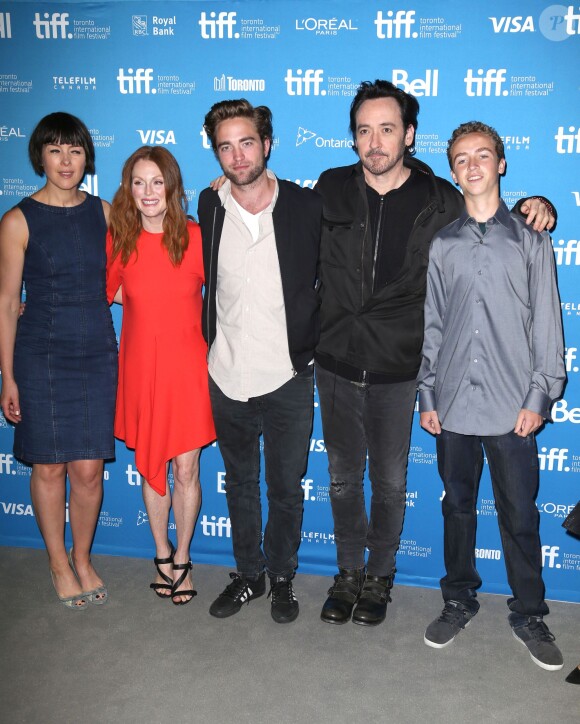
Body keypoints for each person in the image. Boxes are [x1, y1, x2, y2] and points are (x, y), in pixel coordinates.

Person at [315, 80, 555, 627]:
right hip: (336, 363)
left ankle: (379, 581)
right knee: (344, 481)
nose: (375, 141)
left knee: (394, 484)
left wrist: (537, 206)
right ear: (354, 139)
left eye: (387, 128)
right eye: (364, 130)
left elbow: (491, 216)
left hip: (400, 368)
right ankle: (349, 575)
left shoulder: (438, 197)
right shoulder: (328, 188)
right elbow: (278, 216)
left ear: (409, 135)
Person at [417, 121, 565, 671]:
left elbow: (548, 325)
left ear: (501, 164)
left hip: (512, 408)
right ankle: (458, 599)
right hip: (452, 405)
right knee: (457, 508)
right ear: (453, 170)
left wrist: (538, 396)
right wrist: (427, 394)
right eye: (461, 158)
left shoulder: (531, 236)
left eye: (483, 155)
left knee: (520, 515)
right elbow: (433, 324)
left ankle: (529, 611)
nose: (473, 165)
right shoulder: (443, 244)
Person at [198, 99, 321, 623]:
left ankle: (283, 577)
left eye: (246, 142)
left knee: (285, 486)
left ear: (266, 144)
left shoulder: (305, 205)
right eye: (225, 145)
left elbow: (393, 183)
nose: (237, 154)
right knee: (239, 482)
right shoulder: (208, 207)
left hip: (288, 374)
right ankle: (249, 575)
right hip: (225, 373)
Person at [0, 112, 117, 609]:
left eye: (75, 150)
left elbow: (157, 238)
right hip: (41, 353)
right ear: (40, 156)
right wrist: (7, 376)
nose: (66, 161)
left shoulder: (106, 212)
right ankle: (56, 560)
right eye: (55, 150)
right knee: (49, 468)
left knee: (89, 469)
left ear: (86, 156)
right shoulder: (17, 219)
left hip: (95, 348)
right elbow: (7, 302)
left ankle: (83, 555)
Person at [107, 146, 215, 605]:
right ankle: (161, 553)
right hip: (140, 370)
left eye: (157, 182)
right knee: (152, 472)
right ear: (127, 189)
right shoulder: (120, 239)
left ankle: (185, 557)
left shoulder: (194, 237)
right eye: (138, 182)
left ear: (171, 187)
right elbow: (106, 293)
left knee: (186, 469)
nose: (148, 192)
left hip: (188, 370)